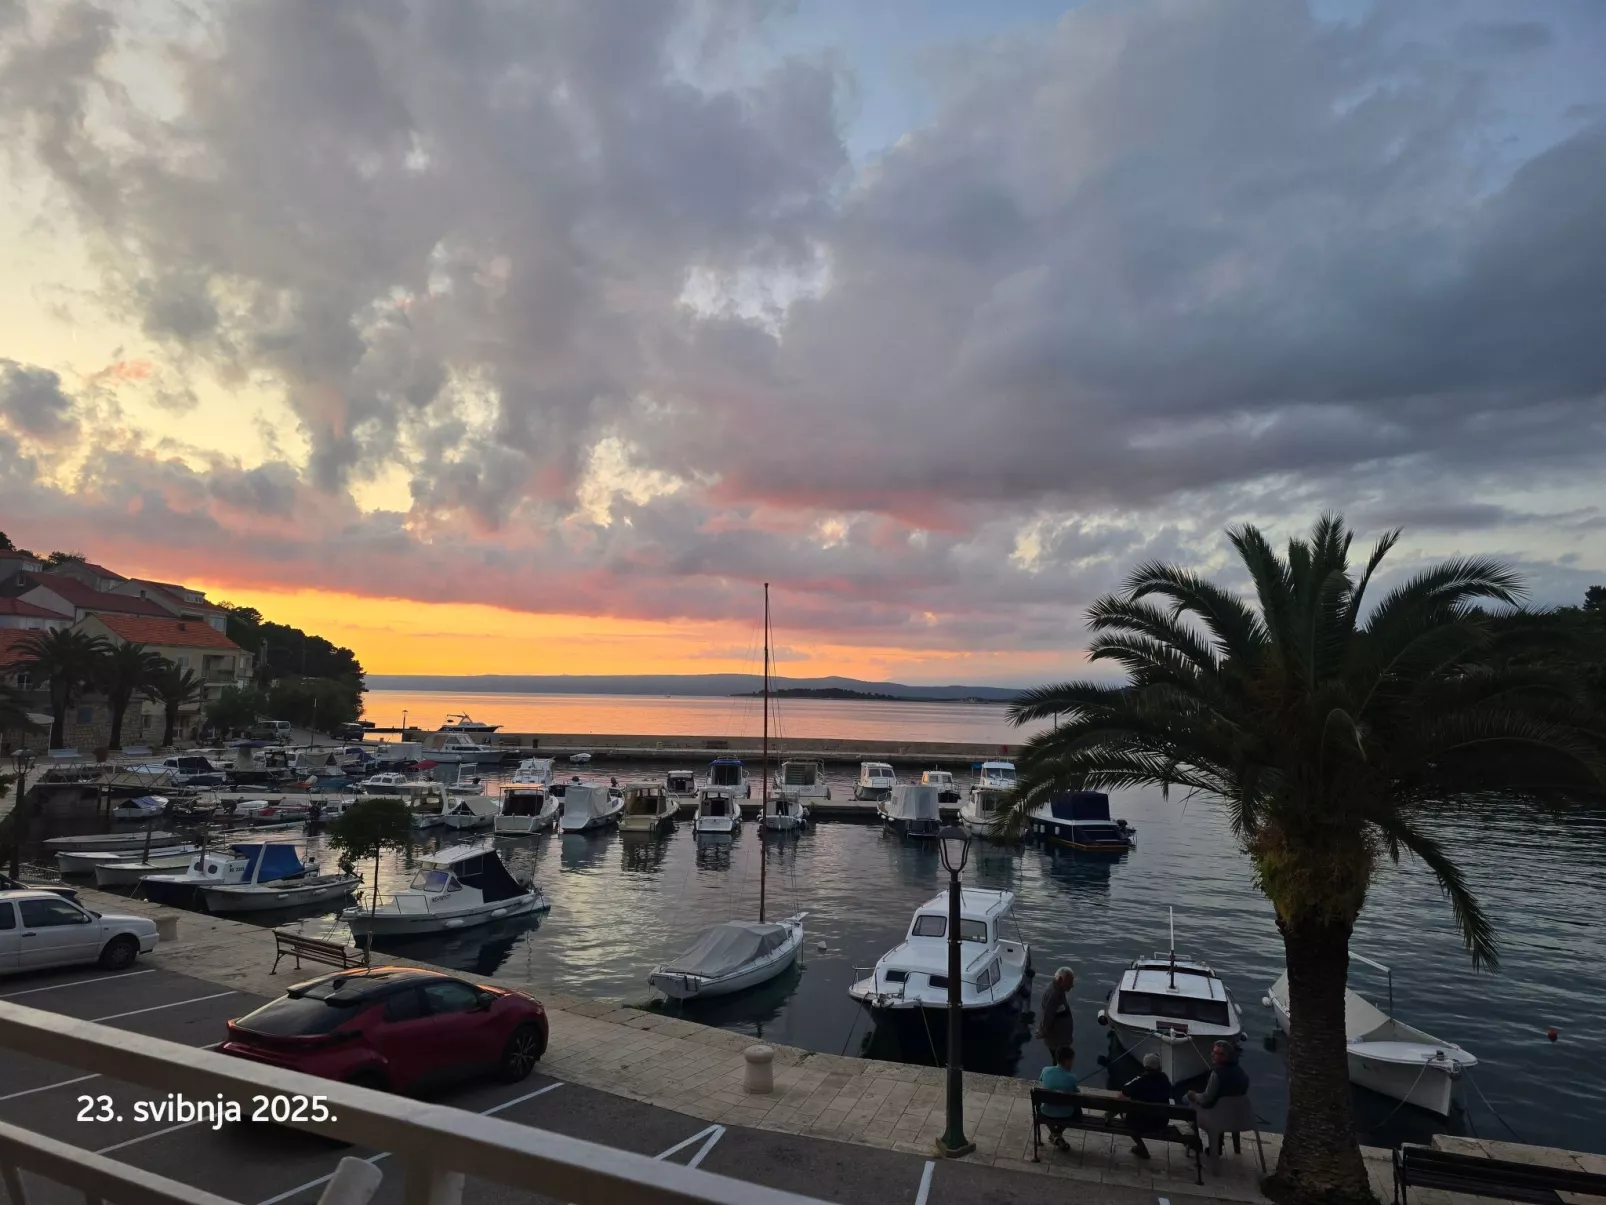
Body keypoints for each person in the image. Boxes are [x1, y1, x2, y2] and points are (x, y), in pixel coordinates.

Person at [1120, 1053, 1174, 1160]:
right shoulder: (1164, 1079)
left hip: (1138, 1124)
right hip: (1160, 1123)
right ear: (1159, 1067)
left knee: (1123, 1108)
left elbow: (1121, 1095)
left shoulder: (1139, 1081)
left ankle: (1141, 1146)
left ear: (1145, 1067)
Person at [1036, 1045, 1081, 1151]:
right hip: (1066, 1114)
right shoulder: (1072, 1078)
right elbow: (1076, 1094)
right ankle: (1057, 1134)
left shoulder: (1045, 1070)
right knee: (1078, 1112)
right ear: (1067, 1061)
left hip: (1046, 1111)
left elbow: (1042, 1081)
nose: (1073, 1062)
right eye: (1072, 1060)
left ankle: (1055, 1135)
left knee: (1043, 1106)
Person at [1035, 966, 1075, 1061]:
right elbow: (1048, 1016)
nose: (1072, 985)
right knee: (1060, 1063)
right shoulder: (1054, 995)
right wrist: (1043, 1032)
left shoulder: (1059, 990)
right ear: (1060, 979)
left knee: (1060, 1062)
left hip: (1060, 1040)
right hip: (1057, 1042)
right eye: (1069, 982)